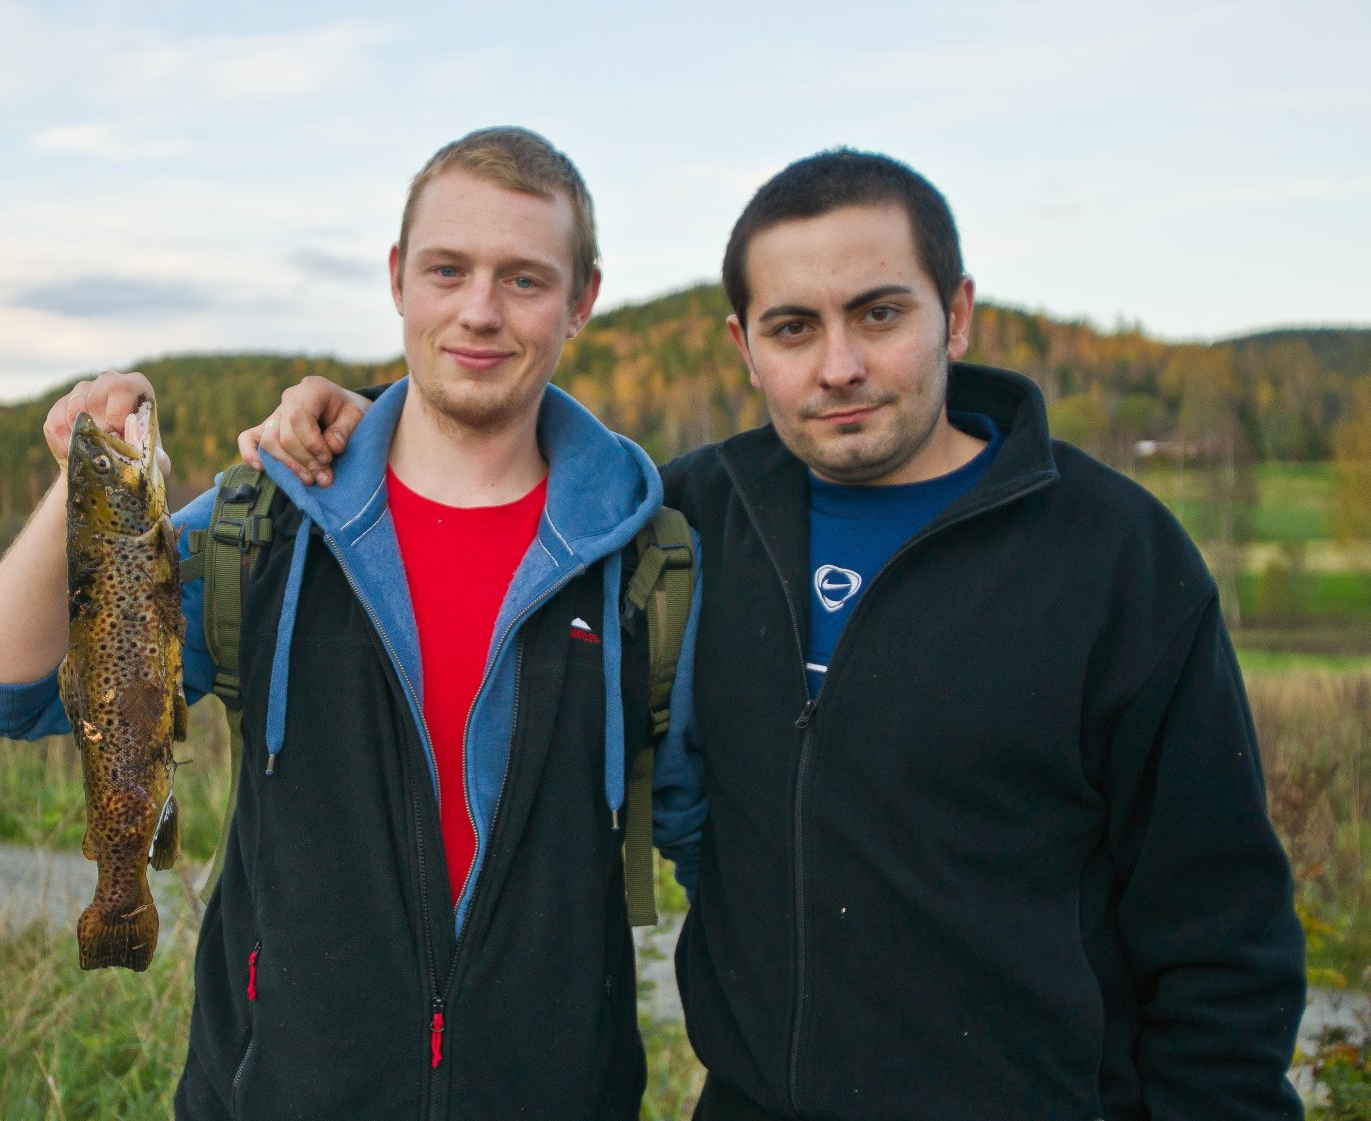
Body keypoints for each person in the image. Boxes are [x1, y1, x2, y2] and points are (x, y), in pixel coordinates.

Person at [252, 147, 1307, 1119]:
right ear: (744, 345)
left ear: (960, 312)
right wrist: (355, 421)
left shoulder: (1114, 557)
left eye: (880, 314)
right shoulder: (683, 523)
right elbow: (489, 477)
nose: (837, 364)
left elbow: (1221, 937)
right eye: (793, 326)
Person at [0, 125, 699, 1120]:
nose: (478, 310)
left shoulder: (639, 557)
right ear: (397, 279)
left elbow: (719, 845)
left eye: (523, 278)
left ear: (582, 299)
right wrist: (90, 474)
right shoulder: (269, 523)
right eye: (447, 269)